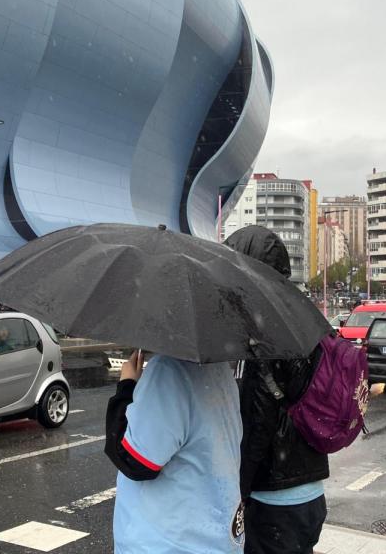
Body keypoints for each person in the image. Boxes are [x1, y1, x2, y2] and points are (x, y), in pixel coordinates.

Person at [225, 225, 327, 554]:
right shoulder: (303, 317)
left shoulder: (264, 331)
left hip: (274, 497)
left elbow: (258, 424)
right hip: (309, 491)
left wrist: (238, 491)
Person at [105, 350, 244, 553]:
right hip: (214, 536)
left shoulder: (168, 369)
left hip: (167, 541)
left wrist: (126, 386)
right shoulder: (217, 366)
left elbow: (135, 461)